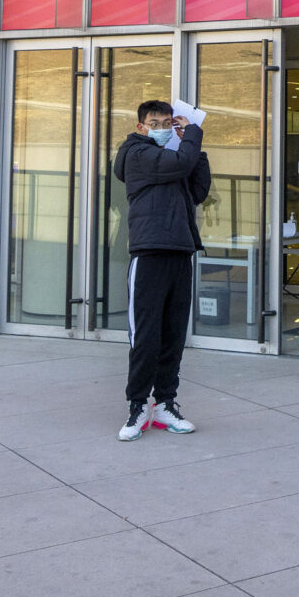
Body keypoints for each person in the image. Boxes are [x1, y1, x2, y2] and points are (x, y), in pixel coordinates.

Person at [114, 98, 210, 441]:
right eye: (155, 123)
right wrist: (193, 135)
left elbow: (197, 189)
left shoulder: (173, 159)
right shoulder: (138, 154)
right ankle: (137, 406)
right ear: (141, 126)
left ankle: (165, 404)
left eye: (167, 123)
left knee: (172, 335)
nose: (161, 128)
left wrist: (196, 149)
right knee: (145, 336)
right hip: (149, 252)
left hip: (179, 250)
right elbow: (181, 164)